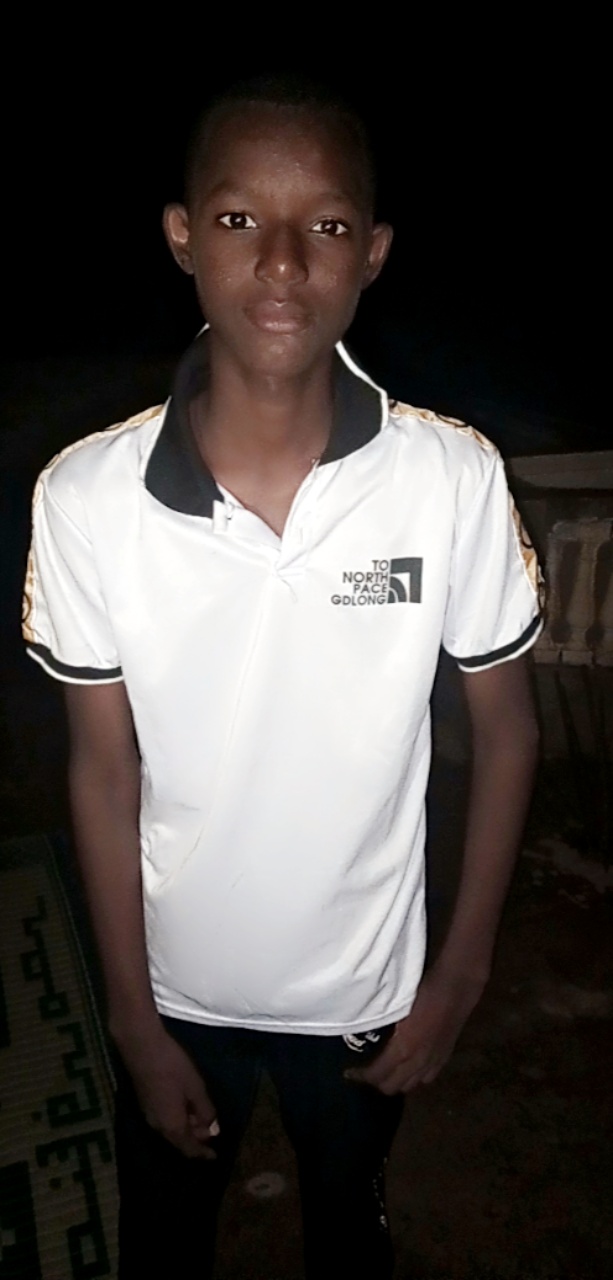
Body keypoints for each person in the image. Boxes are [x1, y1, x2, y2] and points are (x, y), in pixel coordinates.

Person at [23, 75, 541, 1279]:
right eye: (238, 218)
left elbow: (507, 729)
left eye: (327, 224)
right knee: (163, 1238)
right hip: (176, 986)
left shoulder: (447, 478)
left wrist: (458, 975)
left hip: (366, 991)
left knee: (348, 1232)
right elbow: (103, 771)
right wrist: (130, 1017)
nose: (282, 261)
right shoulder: (88, 497)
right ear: (181, 235)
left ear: (373, 253)